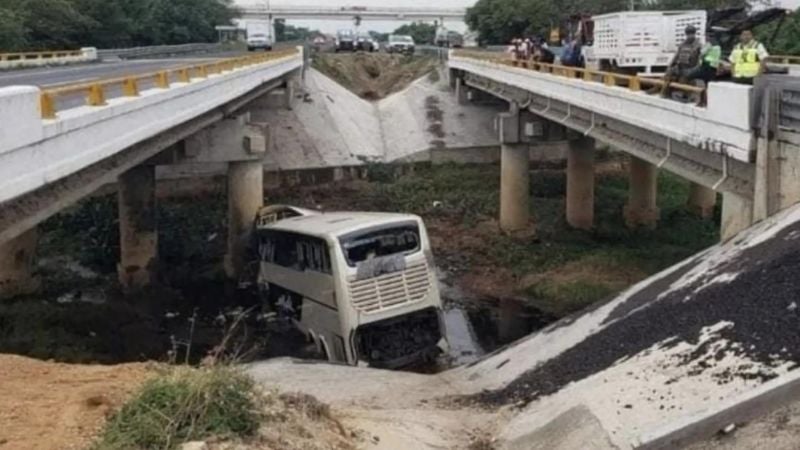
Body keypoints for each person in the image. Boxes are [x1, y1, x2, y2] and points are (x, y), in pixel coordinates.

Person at [661, 25, 703, 96]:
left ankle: (686, 95)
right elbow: (676, 57)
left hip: (691, 69)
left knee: (684, 80)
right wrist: (670, 67)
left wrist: (694, 70)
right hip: (681, 68)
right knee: (668, 74)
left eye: (691, 34)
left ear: (694, 34)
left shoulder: (698, 45)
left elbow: (700, 60)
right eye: (688, 34)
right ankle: (663, 92)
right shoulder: (682, 44)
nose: (690, 36)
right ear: (686, 34)